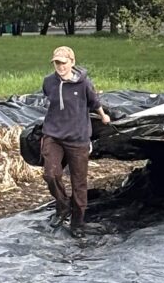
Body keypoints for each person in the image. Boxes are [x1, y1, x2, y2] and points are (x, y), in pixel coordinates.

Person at [40, 45, 111, 239]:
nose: (60, 67)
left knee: (78, 183)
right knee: (51, 174)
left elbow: (94, 102)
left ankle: (78, 222)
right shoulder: (49, 82)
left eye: (63, 63)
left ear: (72, 62)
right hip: (53, 135)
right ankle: (63, 207)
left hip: (78, 138)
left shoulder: (83, 83)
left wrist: (103, 116)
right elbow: (48, 99)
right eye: (56, 63)